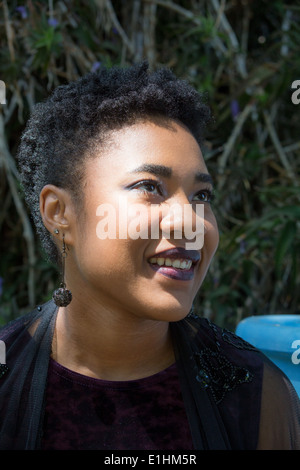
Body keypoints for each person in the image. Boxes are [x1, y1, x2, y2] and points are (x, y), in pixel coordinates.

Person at [0, 62, 299, 450]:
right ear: (60, 213)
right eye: (150, 187)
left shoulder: (255, 395)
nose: (189, 222)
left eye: (201, 196)